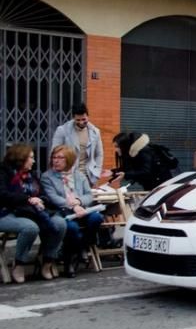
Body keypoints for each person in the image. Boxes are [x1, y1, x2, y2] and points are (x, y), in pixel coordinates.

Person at [0, 143, 67, 282]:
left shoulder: (31, 175)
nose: (34, 161)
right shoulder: (4, 172)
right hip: (7, 213)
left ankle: (47, 260)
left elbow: (42, 195)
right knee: (30, 227)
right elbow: (3, 195)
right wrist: (28, 199)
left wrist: (41, 200)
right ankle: (19, 264)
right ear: (21, 158)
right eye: (31, 157)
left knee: (60, 223)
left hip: (31, 212)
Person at [41, 145, 103, 277]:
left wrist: (79, 202)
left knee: (97, 218)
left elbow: (89, 195)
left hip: (82, 209)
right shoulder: (47, 177)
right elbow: (53, 198)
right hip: (62, 212)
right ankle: (69, 262)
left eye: (60, 158)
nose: (55, 161)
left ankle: (83, 246)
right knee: (72, 228)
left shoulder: (79, 175)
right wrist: (73, 206)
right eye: (54, 157)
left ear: (69, 160)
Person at [50, 102, 112, 187]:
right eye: (78, 120)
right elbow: (54, 153)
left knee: (87, 199)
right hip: (67, 175)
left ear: (87, 116)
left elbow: (99, 154)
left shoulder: (95, 132)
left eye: (84, 119)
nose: (81, 122)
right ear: (73, 118)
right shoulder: (62, 130)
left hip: (88, 176)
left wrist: (96, 172)